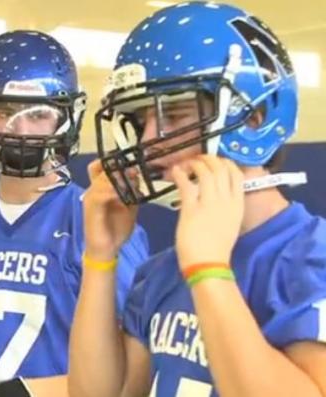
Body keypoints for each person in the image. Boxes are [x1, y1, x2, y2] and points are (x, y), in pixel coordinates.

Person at [69, 2, 326, 397]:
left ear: (254, 117)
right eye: (140, 122)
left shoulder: (312, 258)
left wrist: (208, 270)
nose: (148, 142)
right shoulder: (159, 273)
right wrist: (100, 259)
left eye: (173, 114)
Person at [0, 30, 149, 397]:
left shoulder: (98, 224)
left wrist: (23, 394)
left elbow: (134, 372)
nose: (22, 130)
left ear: (65, 119)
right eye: (5, 112)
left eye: (39, 115)